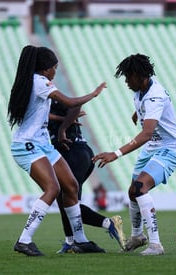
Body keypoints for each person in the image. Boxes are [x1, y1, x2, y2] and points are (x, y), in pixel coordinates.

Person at [8, 45, 107, 256]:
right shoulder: (41, 82)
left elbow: (39, 114)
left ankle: (79, 241)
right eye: (54, 67)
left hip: (42, 143)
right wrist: (94, 94)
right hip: (27, 145)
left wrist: (62, 126)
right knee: (52, 189)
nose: (55, 71)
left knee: (70, 185)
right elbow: (71, 103)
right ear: (46, 69)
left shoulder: (34, 82)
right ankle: (24, 240)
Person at [92, 54, 176, 255]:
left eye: (128, 77)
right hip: (152, 147)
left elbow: (146, 134)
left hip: (171, 148)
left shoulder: (154, 96)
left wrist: (115, 153)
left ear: (139, 75)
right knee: (132, 192)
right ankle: (137, 236)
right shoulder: (142, 91)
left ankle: (155, 244)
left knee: (139, 187)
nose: (126, 82)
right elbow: (147, 112)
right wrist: (139, 113)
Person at [48, 101, 125, 253]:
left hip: (73, 153)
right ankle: (71, 242)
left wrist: (63, 126)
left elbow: (75, 105)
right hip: (74, 154)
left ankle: (109, 223)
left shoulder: (49, 98)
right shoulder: (45, 102)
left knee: (68, 202)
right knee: (65, 200)